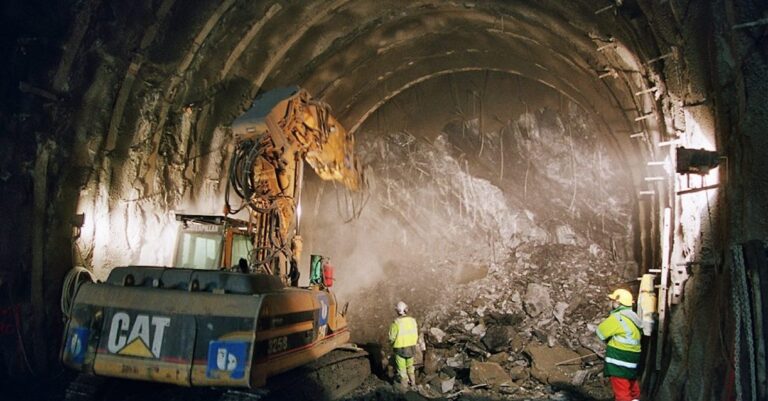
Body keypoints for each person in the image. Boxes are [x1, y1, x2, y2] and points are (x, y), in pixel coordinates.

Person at [596, 288, 643, 401]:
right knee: (632, 388)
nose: (610, 303)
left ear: (617, 303)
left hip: (619, 359)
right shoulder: (634, 318)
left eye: (612, 300)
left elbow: (600, 332)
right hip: (633, 359)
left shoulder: (618, 318)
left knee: (622, 392)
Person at [388, 301, 418, 390]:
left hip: (400, 348)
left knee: (402, 369)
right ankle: (413, 383)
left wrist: (390, 344)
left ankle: (404, 388)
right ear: (406, 310)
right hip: (412, 348)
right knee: (410, 366)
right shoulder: (413, 320)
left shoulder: (396, 323)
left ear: (397, 311)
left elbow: (391, 337)